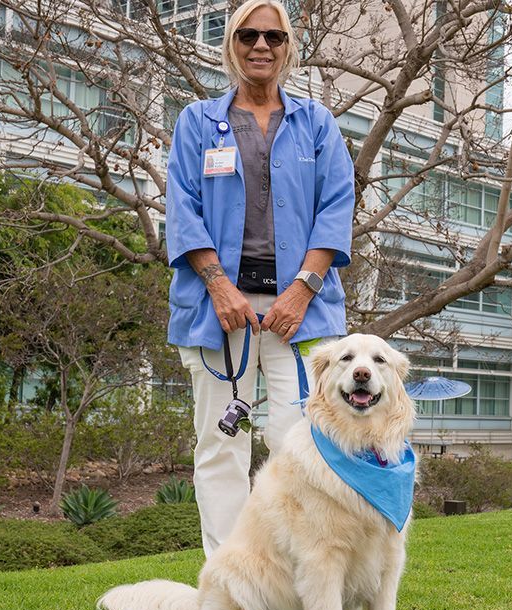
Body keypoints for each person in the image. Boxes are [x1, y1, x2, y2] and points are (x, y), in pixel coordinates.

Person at [165, 0, 354, 557]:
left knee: (302, 444)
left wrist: (302, 290)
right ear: (232, 45)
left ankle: (300, 571)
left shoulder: (317, 124)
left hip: (303, 307)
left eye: (272, 36)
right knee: (220, 443)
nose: (260, 46)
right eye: (247, 35)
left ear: (288, 46)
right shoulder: (197, 122)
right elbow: (182, 208)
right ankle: (231, 578)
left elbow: (337, 208)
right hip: (217, 306)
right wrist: (220, 287)